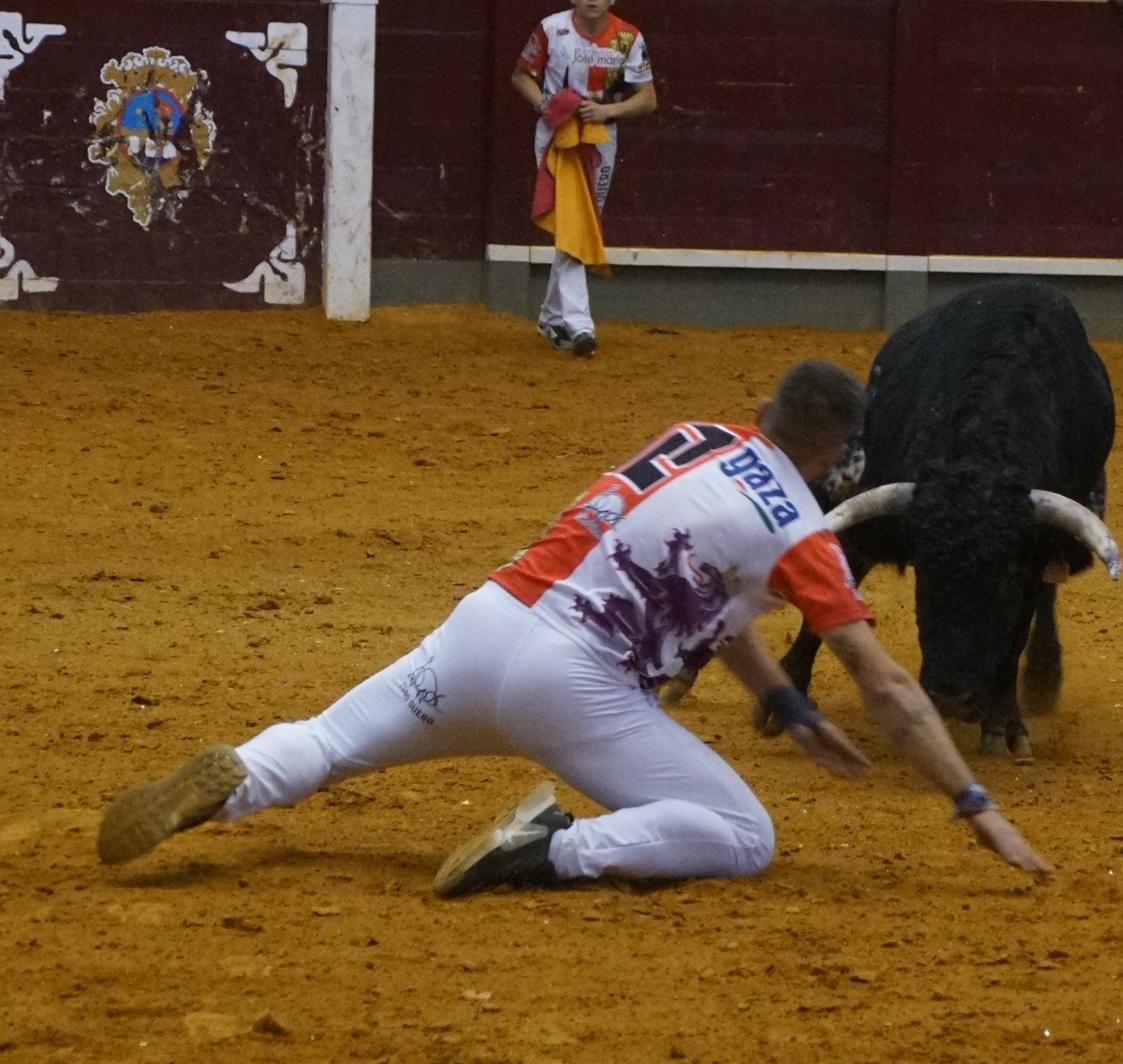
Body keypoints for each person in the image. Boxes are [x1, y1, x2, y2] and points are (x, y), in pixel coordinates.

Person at [97, 360, 1052, 896]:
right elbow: (887, 686)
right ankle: (546, 850)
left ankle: (237, 783)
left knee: (329, 743)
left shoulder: (694, 440)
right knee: (741, 834)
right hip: (575, 690)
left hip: (486, 625)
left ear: (762, 413)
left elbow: (698, 594)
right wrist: (976, 805)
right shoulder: (802, 535)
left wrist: (783, 701)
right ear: (834, 448)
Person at [512, 0, 656, 359]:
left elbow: (648, 99)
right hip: (555, 137)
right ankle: (579, 323)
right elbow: (520, 76)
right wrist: (546, 105)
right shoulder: (551, 29)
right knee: (573, 219)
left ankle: (550, 316)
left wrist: (608, 110)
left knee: (580, 222)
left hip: (600, 137)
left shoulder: (627, 37)